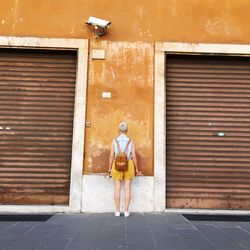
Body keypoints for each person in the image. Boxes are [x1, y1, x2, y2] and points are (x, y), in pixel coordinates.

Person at [108, 122, 139, 217]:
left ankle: (117, 211)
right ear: (127, 130)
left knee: (117, 189)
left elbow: (111, 155)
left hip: (116, 165)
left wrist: (109, 168)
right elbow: (133, 156)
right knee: (127, 188)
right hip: (128, 164)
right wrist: (136, 168)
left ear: (119, 130)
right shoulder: (131, 141)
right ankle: (126, 211)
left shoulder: (114, 141)